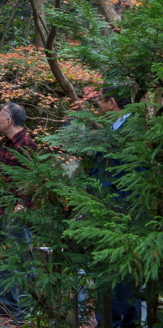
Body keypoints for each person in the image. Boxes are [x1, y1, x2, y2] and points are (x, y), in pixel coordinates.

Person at [0, 102, 37, 321]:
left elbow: (31, 178)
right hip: (1, 209)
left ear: (9, 120)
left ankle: (26, 309)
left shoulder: (26, 144)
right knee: (3, 257)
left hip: (16, 212)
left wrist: (21, 205)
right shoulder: (6, 144)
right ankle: (7, 305)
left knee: (23, 259)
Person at [92, 92, 140, 328]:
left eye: (99, 101)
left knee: (123, 267)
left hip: (121, 207)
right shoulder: (112, 127)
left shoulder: (132, 128)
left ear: (112, 103)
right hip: (104, 206)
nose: (97, 106)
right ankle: (107, 319)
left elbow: (136, 171)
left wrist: (124, 204)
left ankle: (127, 322)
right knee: (105, 265)